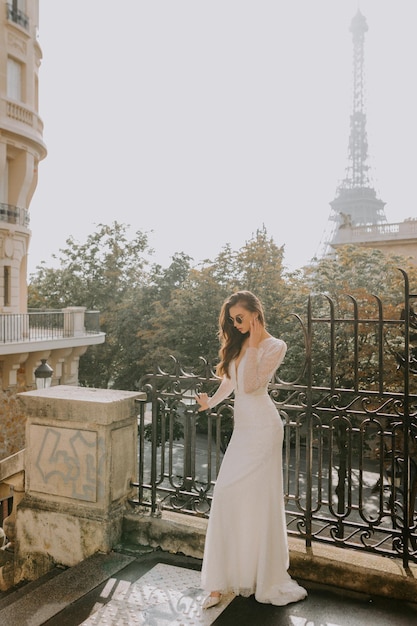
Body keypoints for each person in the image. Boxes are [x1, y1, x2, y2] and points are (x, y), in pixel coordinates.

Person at [195, 291, 307, 609]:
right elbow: (231, 384)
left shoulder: (274, 346)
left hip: (264, 429)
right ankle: (219, 584)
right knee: (229, 495)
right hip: (244, 431)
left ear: (256, 313)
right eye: (232, 320)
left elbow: (254, 386)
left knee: (253, 499)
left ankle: (260, 575)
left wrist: (255, 347)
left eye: (240, 318)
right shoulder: (240, 342)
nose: (236, 324)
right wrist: (209, 403)